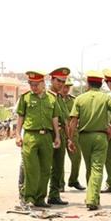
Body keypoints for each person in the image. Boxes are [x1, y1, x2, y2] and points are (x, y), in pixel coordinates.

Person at [68, 70, 111, 211]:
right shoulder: (106, 98)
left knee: (89, 168)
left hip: (84, 137)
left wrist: (70, 139)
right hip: (101, 136)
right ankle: (93, 198)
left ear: (88, 83)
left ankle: (91, 197)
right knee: (97, 168)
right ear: (100, 84)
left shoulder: (80, 99)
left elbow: (73, 121)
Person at [15, 70, 61, 208]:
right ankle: (28, 198)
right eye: (31, 84)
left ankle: (40, 198)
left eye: (36, 84)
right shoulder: (25, 98)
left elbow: (55, 118)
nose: (33, 87)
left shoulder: (52, 98)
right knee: (31, 169)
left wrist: (57, 136)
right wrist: (18, 134)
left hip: (47, 136)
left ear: (43, 83)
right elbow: (20, 117)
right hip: (30, 136)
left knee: (46, 169)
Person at [47, 67, 71, 206]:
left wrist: (69, 139)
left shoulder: (60, 98)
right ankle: (38, 195)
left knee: (58, 167)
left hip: (60, 135)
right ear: (52, 80)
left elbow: (66, 120)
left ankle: (54, 194)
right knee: (45, 167)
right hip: (49, 135)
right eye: (58, 81)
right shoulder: (46, 97)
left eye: (63, 81)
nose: (61, 84)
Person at [61, 77, 85, 190]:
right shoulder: (55, 99)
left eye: (68, 87)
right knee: (58, 159)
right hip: (60, 131)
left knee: (77, 157)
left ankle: (73, 180)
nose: (65, 89)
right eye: (64, 86)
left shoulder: (73, 100)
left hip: (72, 132)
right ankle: (59, 183)